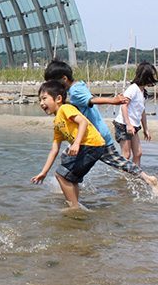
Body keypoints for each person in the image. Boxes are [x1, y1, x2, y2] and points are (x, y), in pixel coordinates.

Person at [43, 60, 158, 195]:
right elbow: (82, 102)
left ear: (64, 79)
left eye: (53, 83)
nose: (52, 87)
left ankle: (147, 179)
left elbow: (91, 100)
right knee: (69, 156)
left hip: (95, 137)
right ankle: (70, 183)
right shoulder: (78, 86)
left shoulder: (75, 91)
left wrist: (113, 101)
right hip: (93, 135)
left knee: (118, 161)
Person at [31, 80, 109, 210]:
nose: (41, 103)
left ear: (58, 99)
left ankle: (74, 207)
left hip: (91, 144)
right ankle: (75, 204)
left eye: (44, 98)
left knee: (61, 175)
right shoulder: (57, 122)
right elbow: (54, 150)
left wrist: (76, 144)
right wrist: (43, 172)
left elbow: (83, 122)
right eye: (40, 100)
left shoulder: (65, 109)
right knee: (70, 177)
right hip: (91, 146)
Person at [113, 62, 158, 167]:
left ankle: (135, 176)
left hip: (133, 126)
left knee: (138, 153)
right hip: (123, 125)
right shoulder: (133, 89)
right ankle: (122, 178)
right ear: (146, 77)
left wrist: (145, 129)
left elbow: (142, 111)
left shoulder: (143, 92)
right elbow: (124, 106)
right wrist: (128, 124)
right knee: (126, 155)